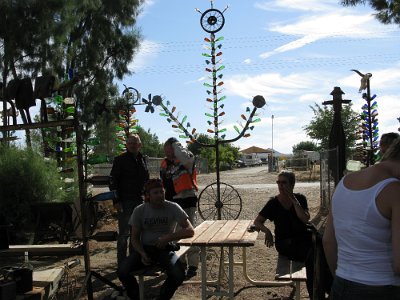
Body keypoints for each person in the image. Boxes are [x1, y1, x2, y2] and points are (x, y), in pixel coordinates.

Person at [323, 137, 400, 300]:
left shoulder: (344, 183)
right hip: (383, 288)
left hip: (341, 283)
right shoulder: (394, 191)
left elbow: (328, 241)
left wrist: (341, 274)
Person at [252, 171, 330, 299]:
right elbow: (257, 222)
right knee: (313, 257)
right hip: (286, 243)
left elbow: (305, 219)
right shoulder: (273, 203)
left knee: (322, 252)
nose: (281, 186)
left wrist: (294, 201)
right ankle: (320, 293)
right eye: (278, 182)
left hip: (303, 239)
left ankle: (325, 290)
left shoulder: (300, 199)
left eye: (284, 183)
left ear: (292, 184)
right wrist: (267, 231)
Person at [117, 178, 195, 300]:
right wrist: (142, 253)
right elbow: (135, 239)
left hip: (165, 249)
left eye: (162, 192)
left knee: (178, 275)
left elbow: (190, 231)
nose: (160, 195)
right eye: (156, 193)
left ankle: (162, 297)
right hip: (145, 249)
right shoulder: (140, 210)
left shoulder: (173, 207)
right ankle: (135, 296)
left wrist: (168, 237)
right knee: (122, 271)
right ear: (148, 195)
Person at [160, 137, 200, 279]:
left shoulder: (186, 157)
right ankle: (180, 262)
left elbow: (185, 159)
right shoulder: (164, 163)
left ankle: (193, 264)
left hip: (187, 199)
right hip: (171, 201)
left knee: (190, 231)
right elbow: (163, 182)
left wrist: (177, 145)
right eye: (166, 148)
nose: (166, 150)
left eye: (169, 147)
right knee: (175, 234)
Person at [109, 134, 149, 269]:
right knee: (124, 234)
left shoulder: (143, 159)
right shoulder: (120, 160)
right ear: (126, 145)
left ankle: (133, 262)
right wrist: (116, 200)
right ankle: (122, 265)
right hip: (125, 202)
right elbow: (113, 182)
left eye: (135, 143)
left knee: (136, 234)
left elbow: (146, 180)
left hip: (140, 201)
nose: (132, 145)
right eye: (130, 143)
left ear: (139, 145)